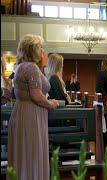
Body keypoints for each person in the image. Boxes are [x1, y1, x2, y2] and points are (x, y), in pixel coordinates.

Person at [8, 34, 59, 180]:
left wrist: (42, 66)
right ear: (33, 49)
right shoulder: (31, 67)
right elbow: (36, 95)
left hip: (21, 111)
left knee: (23, 153)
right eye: (40, 47)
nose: (42, 50)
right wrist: (51, 104)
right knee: (32, 152)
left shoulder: (20, 67)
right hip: (32, 114)